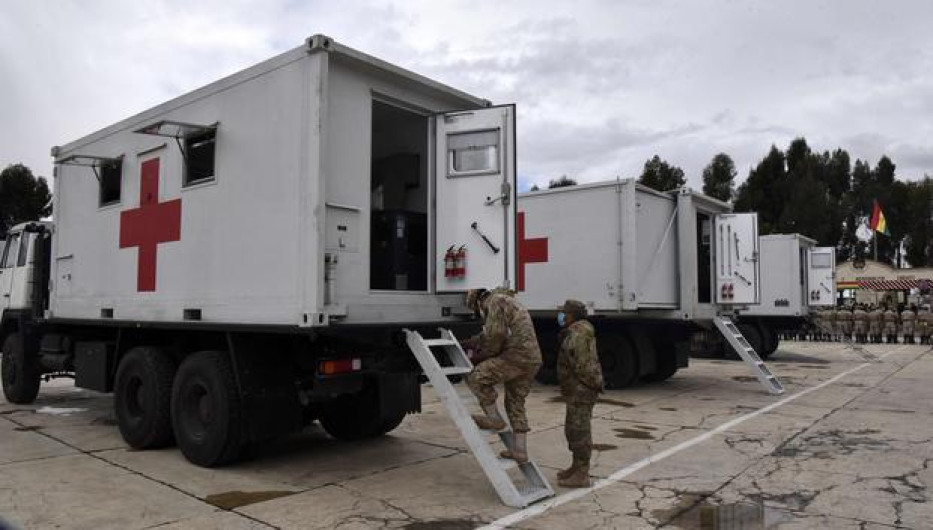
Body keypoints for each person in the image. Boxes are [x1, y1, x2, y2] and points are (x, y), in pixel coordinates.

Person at [463, 288, 543, 463]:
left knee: (476, 377)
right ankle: (520, 451)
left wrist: (480, 356)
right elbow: (494, 332)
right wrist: (473, 341)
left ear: (477, 302)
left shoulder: (493, 302)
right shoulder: (507, 302)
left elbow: (495, 336)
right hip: (531, 359)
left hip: (516, 357)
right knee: (515, 402)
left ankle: (494, 419)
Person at [554, 299, 603, 488]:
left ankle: (582, 473)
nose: (561, 316)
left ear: (571, 314)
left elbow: (582, 364)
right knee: (573, 429)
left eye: (564, 313)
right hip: (576, 389)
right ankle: (576, 466)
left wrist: (586, 385)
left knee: (579, 430)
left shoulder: (579, 333)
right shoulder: (576, 331)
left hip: (581, 390)